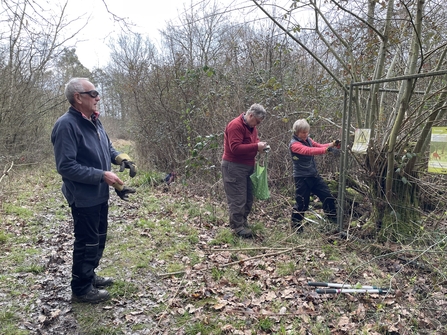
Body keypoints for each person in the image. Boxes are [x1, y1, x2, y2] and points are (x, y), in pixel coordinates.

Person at [51, 78, 137, 303]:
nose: (98, 98)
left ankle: (88, 275)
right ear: (78, 98)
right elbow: (66, 166)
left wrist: (121, 158)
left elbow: (106, 148)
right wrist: (102, 175)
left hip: (99, 193)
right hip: (82, 196)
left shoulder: (94, 120)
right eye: (93, 93)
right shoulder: (66, 125)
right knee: (87, 241)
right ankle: (81, 288)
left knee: (99, 238)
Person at [221, 104, 269, 238]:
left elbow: (254, 141)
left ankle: (242, 222)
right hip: (234, 167)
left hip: (248, 167)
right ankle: (237, 228)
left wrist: (261, 146)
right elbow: (235, 147)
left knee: (248, 197)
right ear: (251, 115)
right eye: (257, 122)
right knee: (238, 198)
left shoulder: (252, 127)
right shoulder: (235, 125)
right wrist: (256, 146)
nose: (257, 125)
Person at [289, 119, 339, 232]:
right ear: (296, 132)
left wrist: (333, 144)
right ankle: (296, 226)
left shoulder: (308, 139)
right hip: (302, 178)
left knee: (327, 196)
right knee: (302, 203)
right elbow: (309, 151)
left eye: (307, 132)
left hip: (314, 175)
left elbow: (319, 145)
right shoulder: (294, 145)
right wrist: (327, 150)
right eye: (303, 132)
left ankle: (332, 221)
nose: (305, 134)